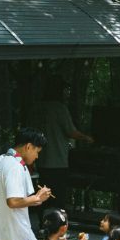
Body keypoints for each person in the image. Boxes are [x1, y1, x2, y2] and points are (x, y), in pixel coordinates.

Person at [31, 75, 94, 208]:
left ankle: (44, 218)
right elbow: (71, 132)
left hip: (41, 160)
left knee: (43, 196)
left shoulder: (37, 108)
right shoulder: (59, 108)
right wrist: (86, 138)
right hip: (57, 161)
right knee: (58, 197)